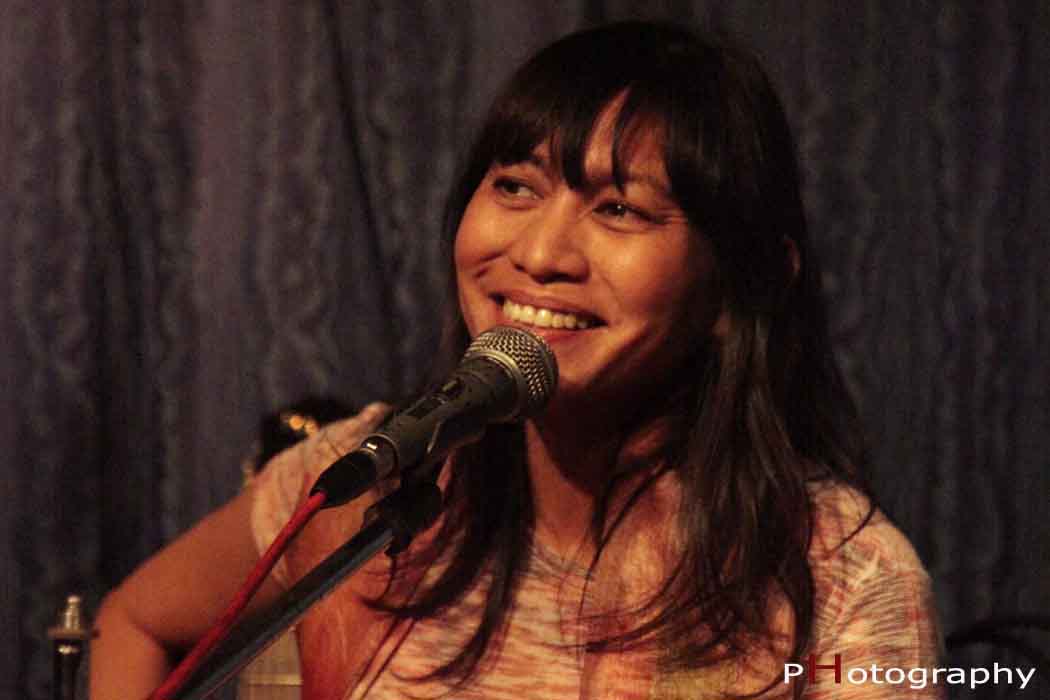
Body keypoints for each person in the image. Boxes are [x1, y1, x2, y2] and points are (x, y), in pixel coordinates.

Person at [90, 21, 943, 700]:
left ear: (742, 283)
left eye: (618, 208)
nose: (539, 253)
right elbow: (134, 622)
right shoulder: (364, 481)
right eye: (515, 187)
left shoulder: (844, 579)